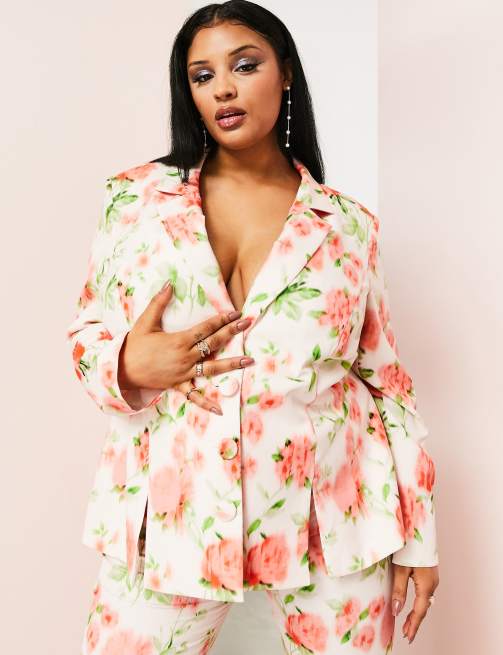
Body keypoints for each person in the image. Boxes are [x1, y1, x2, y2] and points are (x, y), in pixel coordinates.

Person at [68, 2, 440, 653]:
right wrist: (128, 364)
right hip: (170, 515)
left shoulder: (347, 226)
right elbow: (86, 333)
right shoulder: (135, 200)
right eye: (202, 75)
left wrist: (418, 536)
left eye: (244, 65)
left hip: (334, 525)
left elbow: (386, 386)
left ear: (285, 72)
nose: (223, 89)